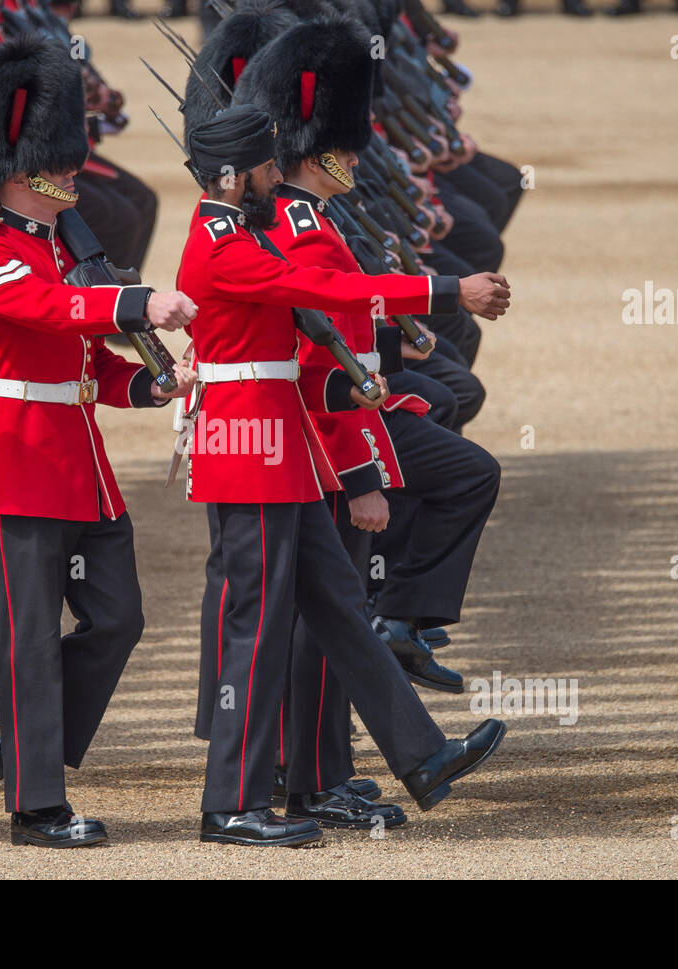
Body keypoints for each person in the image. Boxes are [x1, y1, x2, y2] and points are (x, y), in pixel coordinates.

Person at [177, 104, 507, 847]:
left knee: (340, 608)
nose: (274, 173)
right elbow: (330, 293)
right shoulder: (221, 244)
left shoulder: (240, 230)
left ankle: (422, 757)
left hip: (282, 448)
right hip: (248, 450)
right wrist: (449, 292)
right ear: (235, 174)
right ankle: (232, 802)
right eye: (264, 165)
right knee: (254, 634)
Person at [0, 34, 198, 847]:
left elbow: (88, 364)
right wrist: (139, 304)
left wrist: (151, 383)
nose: (69, 172)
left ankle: (30, 752)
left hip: (78, 461)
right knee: (28, 645)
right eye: (53, 163)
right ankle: (36, 803)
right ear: (17, 172)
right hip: (19, 459)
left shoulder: (63, 249)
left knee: (117, 618)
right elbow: (56, 315)